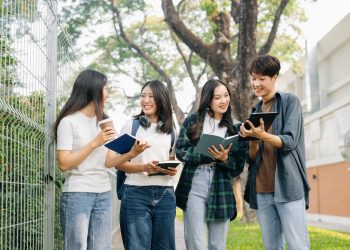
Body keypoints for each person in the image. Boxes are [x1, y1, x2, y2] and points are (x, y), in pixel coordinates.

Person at [53, 69, 146, 250]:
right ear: (93, 90)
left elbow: (109, 162)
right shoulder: (68, 122)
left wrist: (131, 154)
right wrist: (94, 143)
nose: (108, 94)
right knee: (76, 246)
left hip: (103, 192)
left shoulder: (105, 121)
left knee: (101, 247)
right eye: (106, 88)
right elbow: (64, 163)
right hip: (78, 193)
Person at [240, 55, 311, 250]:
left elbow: (289, 141)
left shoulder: (290, 102)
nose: (256, 83)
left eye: (262, 78)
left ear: (275, 78)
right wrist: (253, 142)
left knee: (298, 245)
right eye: (254, 78)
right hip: (262, 190)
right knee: (271, 247)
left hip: (288, 187)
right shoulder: (255, 111)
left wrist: (262, 135)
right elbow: (252, 158)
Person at [175, 79, 248, 250]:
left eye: (226, 96)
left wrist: (223, 159)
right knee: (196, 241)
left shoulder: (236, 128)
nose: (223, 101)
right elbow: (180, 150)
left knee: (217, 244)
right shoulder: (193, 120)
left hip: (221, 183)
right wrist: (204, 154)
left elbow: (237, 167)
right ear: (208, 100)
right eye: (217, 98)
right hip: (195, 182)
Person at [105, 80, 177, 250]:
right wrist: (144, 167)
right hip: (135, 195)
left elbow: (171, 158)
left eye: (151, 96)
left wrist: (171, 169)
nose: (146, 100)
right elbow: (118, 164)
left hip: (166, 195)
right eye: (143, 96)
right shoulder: (130, 126)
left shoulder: (172, 131)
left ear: (161, 99)